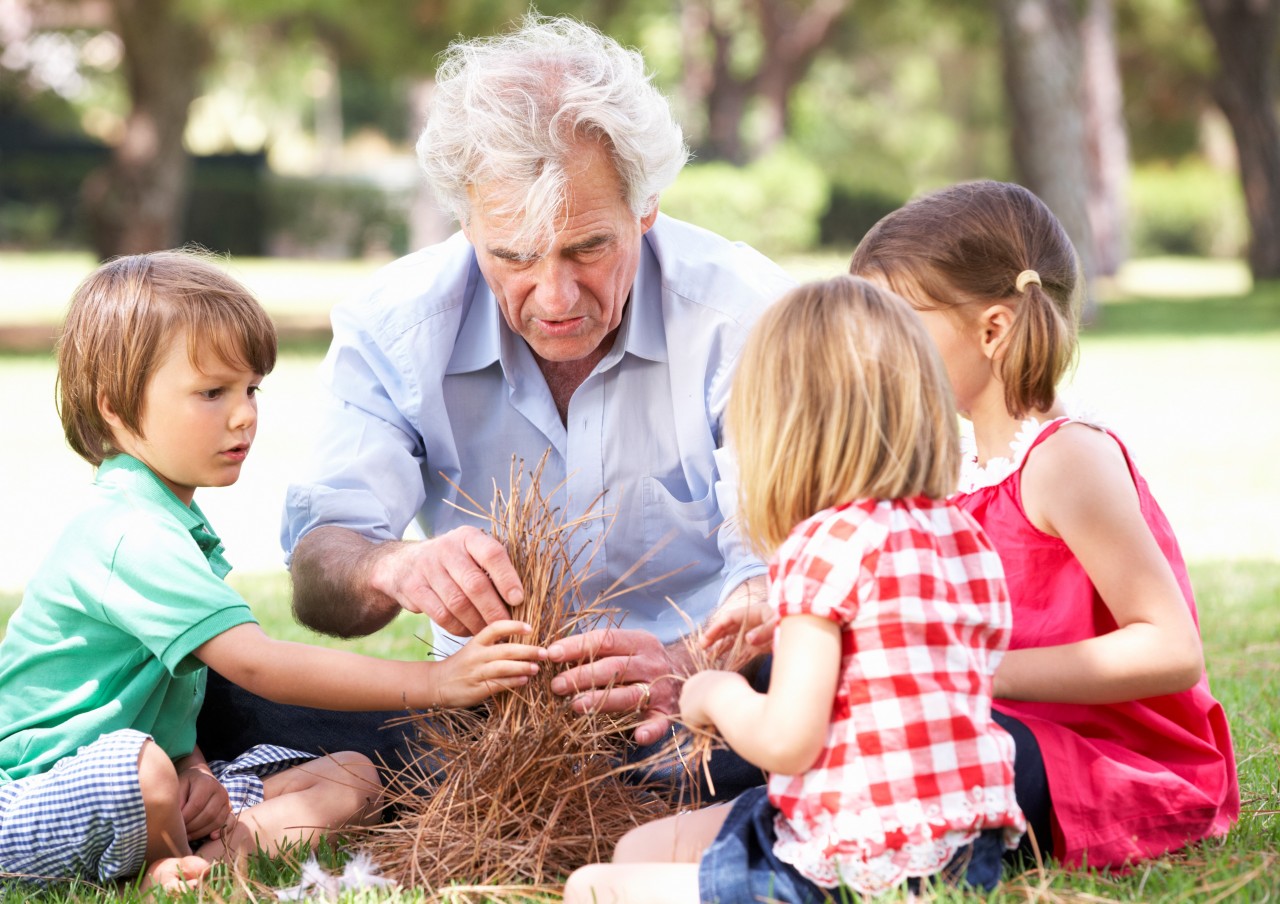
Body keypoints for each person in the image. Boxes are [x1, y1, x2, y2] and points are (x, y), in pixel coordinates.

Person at [199, 15, 793, 792]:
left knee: (808, 703)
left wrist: (693, 667)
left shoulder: (748, 316)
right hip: (488, 716)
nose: (555, 297)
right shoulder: (396, 326)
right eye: (513, 255)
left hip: (705, 707)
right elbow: (320, 566)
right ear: (466, 221)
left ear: (646, 208)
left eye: (589, 248)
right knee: (226, 695)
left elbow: (792, 571)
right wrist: (396, 567)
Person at [0, 251, 548, 892]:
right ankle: (163, 868)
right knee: (141, 767)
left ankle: (211, 859)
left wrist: (198, 771)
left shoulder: (171, 523)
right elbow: (258, 665)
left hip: (150, 784)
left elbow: (170, 697)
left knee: (351, 777)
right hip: (35, 797)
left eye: (250, 388)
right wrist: (437, 682)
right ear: (115, 409)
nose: (244, 415)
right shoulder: (128, 533)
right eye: (212, 393)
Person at [564, 276, 1026, 904]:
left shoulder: (825, 544)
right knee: (638, 850)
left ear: (781, 433)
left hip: (857, 858)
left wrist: (714, 694)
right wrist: (791, 632)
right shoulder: (958, 533)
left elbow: (786, 740)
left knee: (596, 887)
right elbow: (903, 666)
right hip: (960, 851)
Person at [848, 179, 1239, 868]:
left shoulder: (1065, 458)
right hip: (1010, 724)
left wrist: (971, 671)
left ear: (993, 330)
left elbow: (1170, 650)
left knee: (905, 732)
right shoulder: (960, 464)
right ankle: (674, 781)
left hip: (1105, 764)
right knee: (815, 687)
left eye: (896, 321)